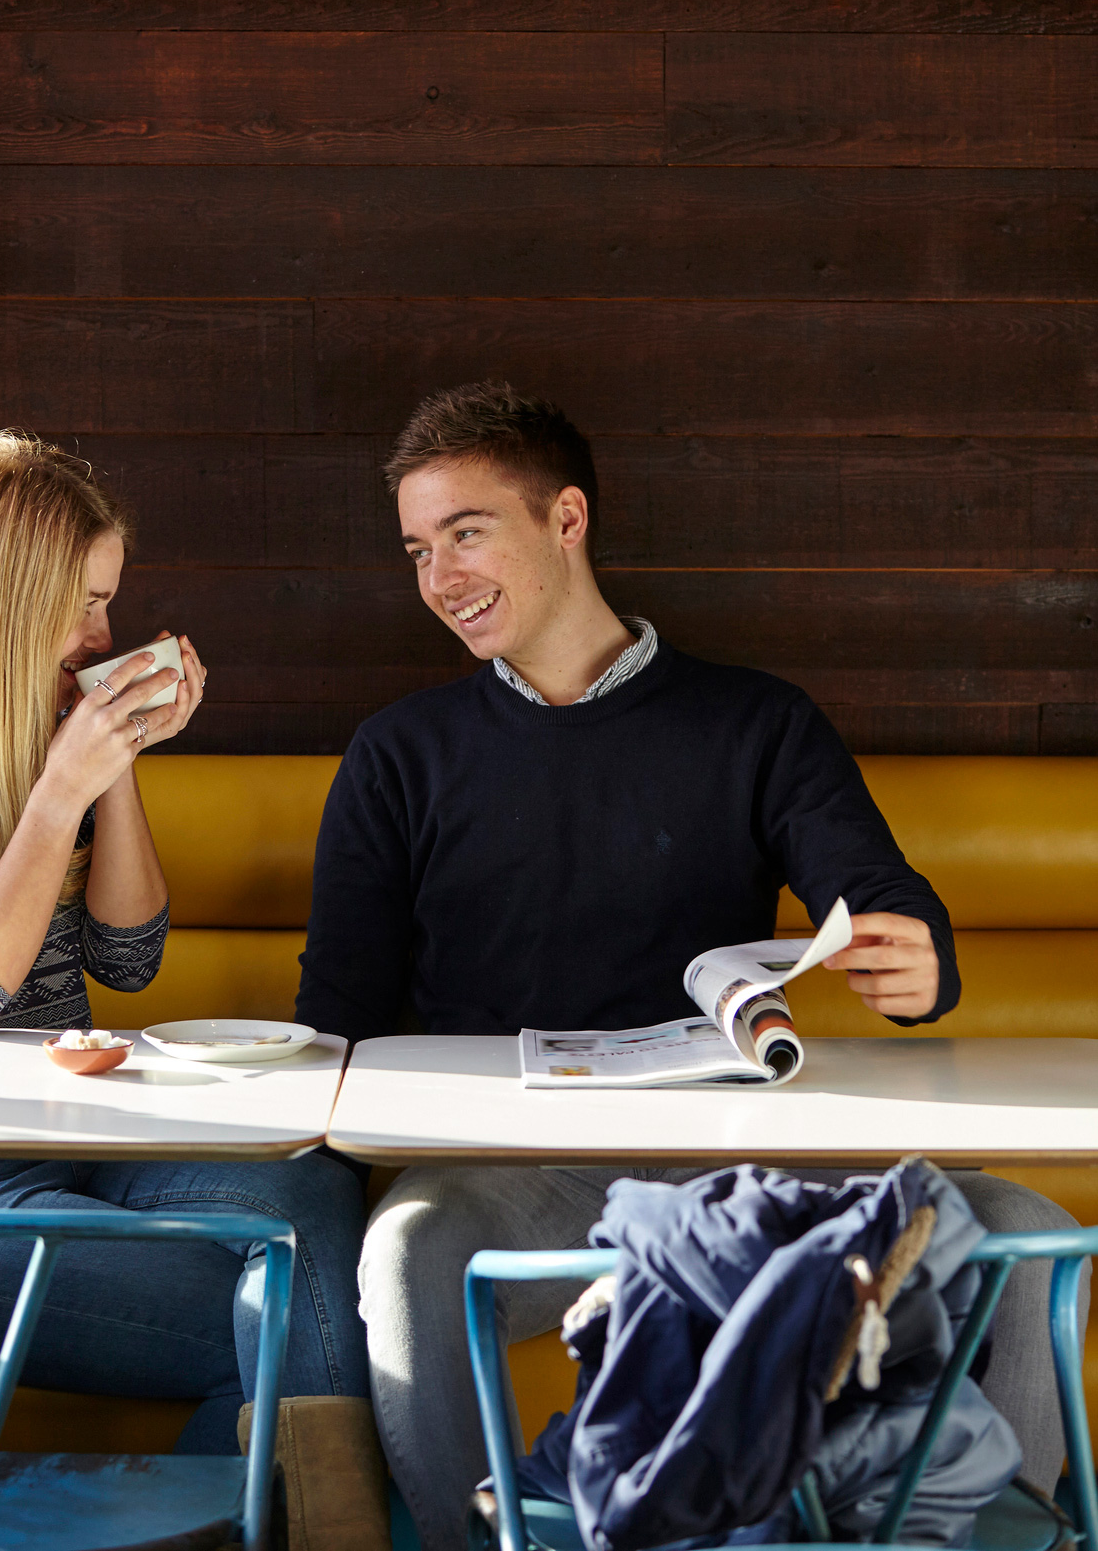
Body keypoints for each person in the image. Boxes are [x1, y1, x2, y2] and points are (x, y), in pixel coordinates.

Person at [294, 381, 1084, 1551]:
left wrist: (918, 962)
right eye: (419, 549)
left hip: (744, 1155)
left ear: (566, 520)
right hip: (513, 1169)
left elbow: (875, 891)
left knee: (1021, 1224)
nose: (439, 578)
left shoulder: (754, 722)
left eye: (467, 533)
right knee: (406, 1247)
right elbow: (336, 1020)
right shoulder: (398, 754)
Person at [0, 431, 368, 1451]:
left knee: (310, 1191)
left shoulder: (49, 733)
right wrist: (62, 786)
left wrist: (119, 757)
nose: (102, 634)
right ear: (5, 600)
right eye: (85, 603)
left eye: (108, 600)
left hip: (81, 1147)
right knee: (301, 1314)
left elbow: (128, 960)